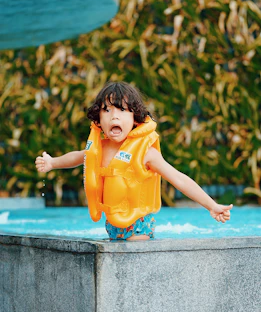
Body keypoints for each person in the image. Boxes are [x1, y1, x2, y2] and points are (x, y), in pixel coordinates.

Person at [35, 81, 233, 242]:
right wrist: (53, 162)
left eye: (122, 110)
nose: (114, 116)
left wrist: (211, 205)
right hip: (112, 224)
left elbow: (178, 179)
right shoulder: (100, 148)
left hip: (139, 225)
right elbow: (77, 157)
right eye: (107, 110)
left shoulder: (146, 153)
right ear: (98, 120)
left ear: (135, 118)